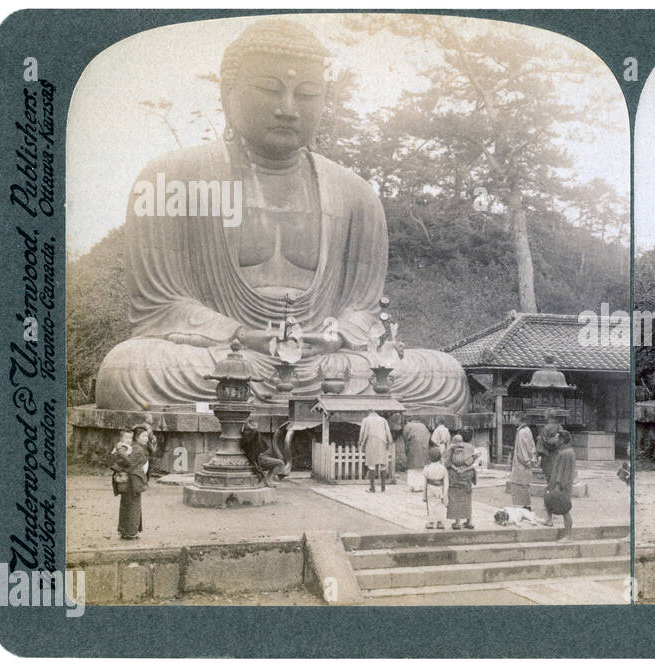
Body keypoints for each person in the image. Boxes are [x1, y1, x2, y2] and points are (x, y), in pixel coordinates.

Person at [92, 19, 468, 413]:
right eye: (270, 89)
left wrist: (335, 335)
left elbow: (364, 310)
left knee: (445, 374)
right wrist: (242, 334)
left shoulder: (356, 195)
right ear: (227, 92)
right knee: (129, 367)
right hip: (228, 356)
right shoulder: (172, 179)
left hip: (324, 363)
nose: (288, 109)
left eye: (306, 94)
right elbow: (160, 306)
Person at [111, 427, 151, 539]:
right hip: (132, 481)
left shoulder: (133, 447)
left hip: (132, 480)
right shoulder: (137, 449)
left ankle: (125, 530)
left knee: (128, 505)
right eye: (143, 436)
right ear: (137, 438)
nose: (146, 439)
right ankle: (130, 532)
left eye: (147, 436)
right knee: (132, 506)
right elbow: (129, 464)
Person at [544, 430, 577, 539]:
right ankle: (549, 520)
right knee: (548, 498)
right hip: (559, 483)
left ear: (562, 440)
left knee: (565, 510)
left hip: (562, 485)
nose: (555, 440)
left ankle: (568, 535)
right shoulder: (567, 451)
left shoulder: (565, 453)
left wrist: (557, 485)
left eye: (557, 438)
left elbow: (563, 471)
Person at [445, 432, 477, 529]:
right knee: (467, 499)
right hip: (466, 477)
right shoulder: (469, 448)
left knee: (455, 498)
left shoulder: (451, 448)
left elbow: (447, 463)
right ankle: (469, 521)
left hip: (455, 477)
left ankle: (457, 522)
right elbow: (473, 462)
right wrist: (465, 469)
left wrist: (456, 469)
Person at [240, 418, 285, 486]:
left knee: (278, 463)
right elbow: (254, 430)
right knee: (280, 463)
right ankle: (269, 480)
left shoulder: (249, 434)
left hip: (259, 456)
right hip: (258, 458)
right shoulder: (253, 434)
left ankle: (268, 479)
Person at [358, 409, 392, 493]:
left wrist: (360, 442)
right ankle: (383, 488)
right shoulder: (383, 420)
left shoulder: (365, 420)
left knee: (371, 465)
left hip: (370, 442)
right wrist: (389, 442)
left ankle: (372, 488)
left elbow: (362, 432)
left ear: (368, 413)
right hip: (382, 443)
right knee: (383, 464)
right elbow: (388, 432)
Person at [509, 423, 536, 510]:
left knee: (519, 485)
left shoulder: (521, 432)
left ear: (517, 419)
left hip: (521, 462)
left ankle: (521, 507)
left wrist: (526, 461)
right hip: (526, 462)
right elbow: (531, 446)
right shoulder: (528, 430)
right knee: (525, 486)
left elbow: (521, 449)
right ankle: (527, 505)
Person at [402, 418, 430, 493]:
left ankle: (412, 486)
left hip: (413, 448)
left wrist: (406, 448)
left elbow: (405, 438)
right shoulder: (423, 426)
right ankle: (421, 486)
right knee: (421, 468)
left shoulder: (408, 426)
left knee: (412, 468)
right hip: (424, 448)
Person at [422, 446, 447, 529]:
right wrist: (445, 493)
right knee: (440, 505)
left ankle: (431, 522)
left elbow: (424, 482)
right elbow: (446, 482)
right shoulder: (443, 468)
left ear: (429, 457)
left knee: (431, 505)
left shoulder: (427, 468)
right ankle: (440, 523)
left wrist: (424, 495)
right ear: (440, 457)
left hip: (430, 487)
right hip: (440, 488)